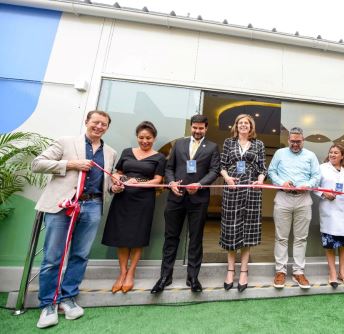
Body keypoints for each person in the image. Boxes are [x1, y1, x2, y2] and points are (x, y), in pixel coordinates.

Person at [31, 111, 117, 329]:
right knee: (53, 256)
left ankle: (68, 298)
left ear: (107, 127)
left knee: (80, 255)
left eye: (103, 124)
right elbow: (37, 164)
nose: (99, 127)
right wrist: (70, 164)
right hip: (62, 206)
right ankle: (48, 304)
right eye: (95, 122)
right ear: (86, 122)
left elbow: (105, 182)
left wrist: (114, 187)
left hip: (93, 206)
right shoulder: (66, 142)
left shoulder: (110, 152)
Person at [151, 114, 220, 293]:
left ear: (206, 128)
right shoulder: (179, 144)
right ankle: (165, 277)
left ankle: (193, 277)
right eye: (195, 128)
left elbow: (214, 171)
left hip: (199, 199)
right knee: (171, 237)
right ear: (191, 127)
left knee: (196, 239)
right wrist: (171, 182)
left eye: (201, 128)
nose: (197, 131)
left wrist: (200, 184)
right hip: (176, 196)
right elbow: (169, 168)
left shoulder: (212, 147)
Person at [102, 121, 165, 293]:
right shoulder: (127, 152)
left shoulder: (159, 157)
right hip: (123, 198)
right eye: (141, 138)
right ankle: (122, 273)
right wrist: (117, 180)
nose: (145, 141)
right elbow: (118, 172)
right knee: (121, 237)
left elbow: (158, 180)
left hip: (144, 200)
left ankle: (131, 273)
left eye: (148, 138)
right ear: (137, 137)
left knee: (137, 237)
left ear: (154, 138)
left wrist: (140, 183)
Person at [268, 127, 320, 289]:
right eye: (292, 141)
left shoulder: (311, 156)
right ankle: (280, 271)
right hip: (283, 197)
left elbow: (316, 176)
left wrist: (308, 185)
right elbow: (271, 171)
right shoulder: (280, 153)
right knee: (281, 237)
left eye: (298, 141)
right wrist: (281, 183)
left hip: (304, 199)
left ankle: (298, 272)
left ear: (303, 140)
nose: (295, 144)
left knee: (301, 238)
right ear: (288, 140)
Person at [219, 114, 267, 292]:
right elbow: (222, 165)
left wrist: (260, 180)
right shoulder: (228, 143)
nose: (243, 125)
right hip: (232, 189)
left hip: (252, 190)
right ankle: (230, 271)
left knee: (247, 231)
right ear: (236, 126)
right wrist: (226, 178)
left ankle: (244, 271)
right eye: (240, 123)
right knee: (231, 230)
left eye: (246, 123)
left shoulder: (259, 144)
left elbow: (262, 168)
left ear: (251, 126)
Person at [315, 143, 344, 289]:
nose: (333, 155)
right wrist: (323, 193)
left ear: (343, 155)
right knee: (330, 245)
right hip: (329, 211)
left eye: (336, 153)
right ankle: (332, 273)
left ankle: (343, 272)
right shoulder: (322, 168)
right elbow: (315, 186)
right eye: (331, 152)